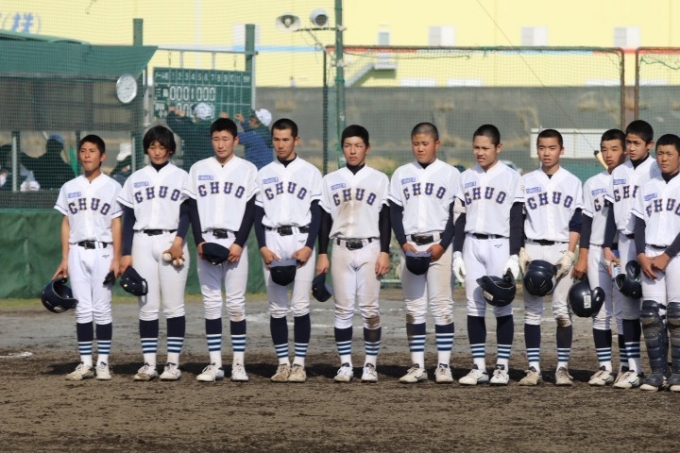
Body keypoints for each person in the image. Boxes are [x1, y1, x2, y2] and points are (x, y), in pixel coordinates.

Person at [184, 117, 258, 382]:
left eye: (225, 138)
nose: (220, 144)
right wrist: (198, 241)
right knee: (211, 304)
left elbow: (251, 208)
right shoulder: (198, 168)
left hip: (235, 242)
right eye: (216, 139)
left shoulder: (247, 169)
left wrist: (239, 241)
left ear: (235, 140)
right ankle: (215, 363)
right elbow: (192, 207)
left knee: (236, 305)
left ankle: (238, 363)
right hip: (207, 241)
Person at [316, 125, 391, 383]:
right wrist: (322, 252)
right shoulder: (330, 180)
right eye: (348, 145)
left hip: (370, 246)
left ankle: (370, 364)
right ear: (342, 148)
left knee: (370, 310)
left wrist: (384, 251)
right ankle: (345, 364)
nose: (353, 150)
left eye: (358, 146)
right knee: (343, 310)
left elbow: (385, 217)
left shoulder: (379, 179)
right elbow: (324, 218)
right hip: (340, 248)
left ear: (367, 148)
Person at [118, 126, 191, 382]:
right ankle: (149, 364)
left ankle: (172, 364)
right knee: (147, 307)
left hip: (172, 241)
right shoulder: (135, 178)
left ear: (170, 149)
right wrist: (125, 253)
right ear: (146, 149)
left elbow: (187, 213)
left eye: (162, 147)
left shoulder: (182, 176)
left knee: (173, 306)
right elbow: (128, 218)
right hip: (141, 241)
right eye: (152, 147)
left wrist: (179, 241)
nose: (157, 151)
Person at [389, 122, 459, 384]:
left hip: (440, 244)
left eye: (425, 143)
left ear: (436, 144)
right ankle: (417, 366)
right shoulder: (401, 174)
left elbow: (455, 215)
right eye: (416, 143)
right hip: (411, 246)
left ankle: (443, 366)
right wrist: (402, 243)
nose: (420, 148)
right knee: (414, 307)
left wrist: (443, 244)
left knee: (442, 307)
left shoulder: (451, 174)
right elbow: (394, 212)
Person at [452, 124, 522, 386]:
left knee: (502, 305)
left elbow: (517, 219)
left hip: (499, 244)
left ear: (498, 147)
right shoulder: (466, 177)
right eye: (476, 147)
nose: (479, 152)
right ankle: (479, 367)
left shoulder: (511, 177)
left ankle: (502, 367)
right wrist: (457, 253)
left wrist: (514, 255)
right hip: (471, 243)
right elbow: (459, 218)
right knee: (474, 307)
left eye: (485, 148)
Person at [254, 118, 322, 383]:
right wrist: (262, 246)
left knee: (301, 305)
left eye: (285, 139)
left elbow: (317, 213)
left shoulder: (310, 172)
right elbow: (257, 212)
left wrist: (309, 246)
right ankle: (283, 363)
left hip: (300, 238)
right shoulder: (264, 173)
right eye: (276, 139)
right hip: (272, 239)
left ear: (296, 140)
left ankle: (299, 364)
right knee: (277, 307)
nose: (280, 144)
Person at [514, 128, 583, 386]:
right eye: (542, 147)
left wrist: (570, 253)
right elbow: (518, 219)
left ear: (561, 150)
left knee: (561, 310)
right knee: (532, 312)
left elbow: (577, 221)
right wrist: (520, 249)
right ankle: (533, 368)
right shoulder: (526, 180)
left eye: (552, 148)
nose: (546, 153)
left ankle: (562, 368)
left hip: (561, 249)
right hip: (533, 248)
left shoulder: (572, 182)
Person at [52, 135, 122, 380]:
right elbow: (66, 223)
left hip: (104, 250)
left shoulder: (113, 187)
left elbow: (116, 224)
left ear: (102, 156)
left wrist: (116, 258)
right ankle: (85, 363)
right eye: (83, 150)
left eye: (92, 151)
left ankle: (102, 362)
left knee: (102, 309)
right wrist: (64, 258)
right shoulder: (69, 187)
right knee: (82, 309)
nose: (87, 155)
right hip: (77, 251)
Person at [602, 119, 660, 389]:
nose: (631, 147)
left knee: (656, 308)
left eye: (637, 143)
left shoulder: (656, 169)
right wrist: (607, 245)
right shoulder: (618, 172)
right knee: (627, 307)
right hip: (625, 243)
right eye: (629, 142)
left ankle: (662, 368)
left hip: (650, 245)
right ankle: (633, 368)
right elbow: (611, 214)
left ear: (649, 144)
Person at [571, 129, 628, 386]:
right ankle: (605, 367)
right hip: (595, 249)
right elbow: (586, 221)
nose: (608, 154)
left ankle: (626, 366)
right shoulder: (592, 183)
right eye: (605, 149)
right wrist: (582, 257)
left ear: (625, 150)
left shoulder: (630, 181)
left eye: (614, 149)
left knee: (625, 311)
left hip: (621, 249)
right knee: (600, 309)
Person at [632, 133, 680, 391]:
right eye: (660, 153)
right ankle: (658, 372)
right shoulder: (647, 186)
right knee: (650, 315)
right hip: (650, 255)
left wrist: (667, 255)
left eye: (669, 153)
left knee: (677, 316)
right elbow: (639, 223)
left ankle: (678, 374)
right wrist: (641, 255)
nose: (663, 158)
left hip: (677, 255)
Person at [167, 104, 214, 172]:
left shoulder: (190, 132)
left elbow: (171, 122)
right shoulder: (216, 133)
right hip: (209, 172)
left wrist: (171, 112)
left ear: (197, 117)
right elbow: (193, 127)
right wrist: (184, 118)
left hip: (191, 172)